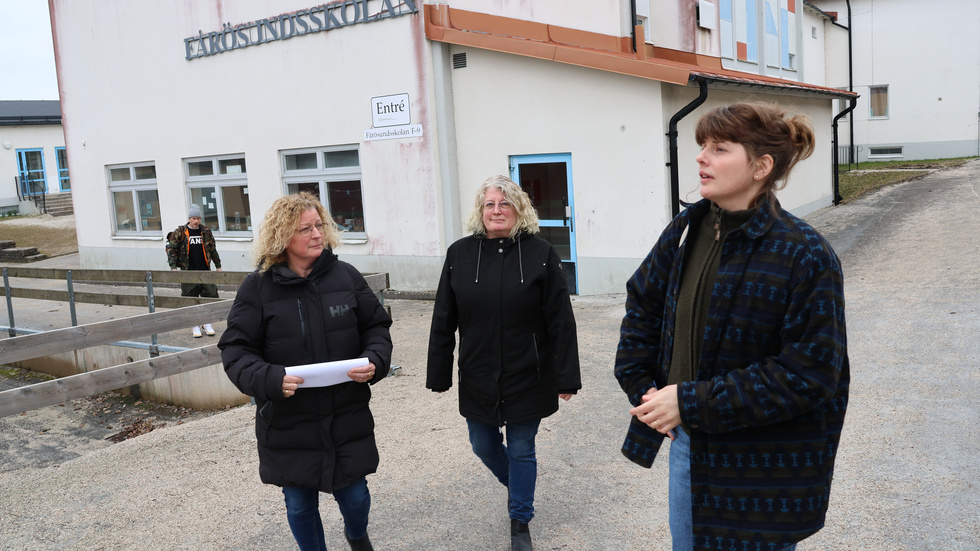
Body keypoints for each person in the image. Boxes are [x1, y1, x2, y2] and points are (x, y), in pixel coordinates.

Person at [615, 102, 850, 550]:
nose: (701, 157)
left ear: (761, 166)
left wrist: (690, 401)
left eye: (719, 148)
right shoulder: (686, 230)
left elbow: (810, 374)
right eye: (702, 145)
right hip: (691, 444)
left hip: (765, 466)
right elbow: (643, 303)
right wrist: (642, 384)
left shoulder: (805, 253)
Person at [218, 192, 392, 551]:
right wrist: (270, 379)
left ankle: (357, 537)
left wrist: (375, 359)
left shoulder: (346, 276)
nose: (317, 235)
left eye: (319, 226)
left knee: (356, 497)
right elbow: (236, 351)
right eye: (305, 229)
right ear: (282, 237)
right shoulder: (257, 288)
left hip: (346, 414)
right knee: (300, 505)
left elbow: (376, 327)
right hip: (288, 419)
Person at [427, 175, 581, 551]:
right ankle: (519, 485)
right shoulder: (459, 254)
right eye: (489, 204)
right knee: (482, 444)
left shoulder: (541, 253)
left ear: (519, 210)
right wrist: (439, 372)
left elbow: (560, 320)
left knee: (522, 447)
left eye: (504, 204)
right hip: (478, 370)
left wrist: (567, 377)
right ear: (481, 212)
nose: (497, 211)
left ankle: (519, 521)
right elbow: (443, 317)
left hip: (529, 370)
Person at [167, 203, 222, 337]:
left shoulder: (206, 231)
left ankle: (207, 322)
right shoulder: (180, 231)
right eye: (193, 218)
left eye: (198, 218)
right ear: (189, 219)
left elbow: (212, 249)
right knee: (190, 298)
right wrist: (173, 267)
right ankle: (194, 324)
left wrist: (218, 265)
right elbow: (171, 250)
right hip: (188, 271)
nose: (196, 221)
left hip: (205, 270)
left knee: (210, 296)